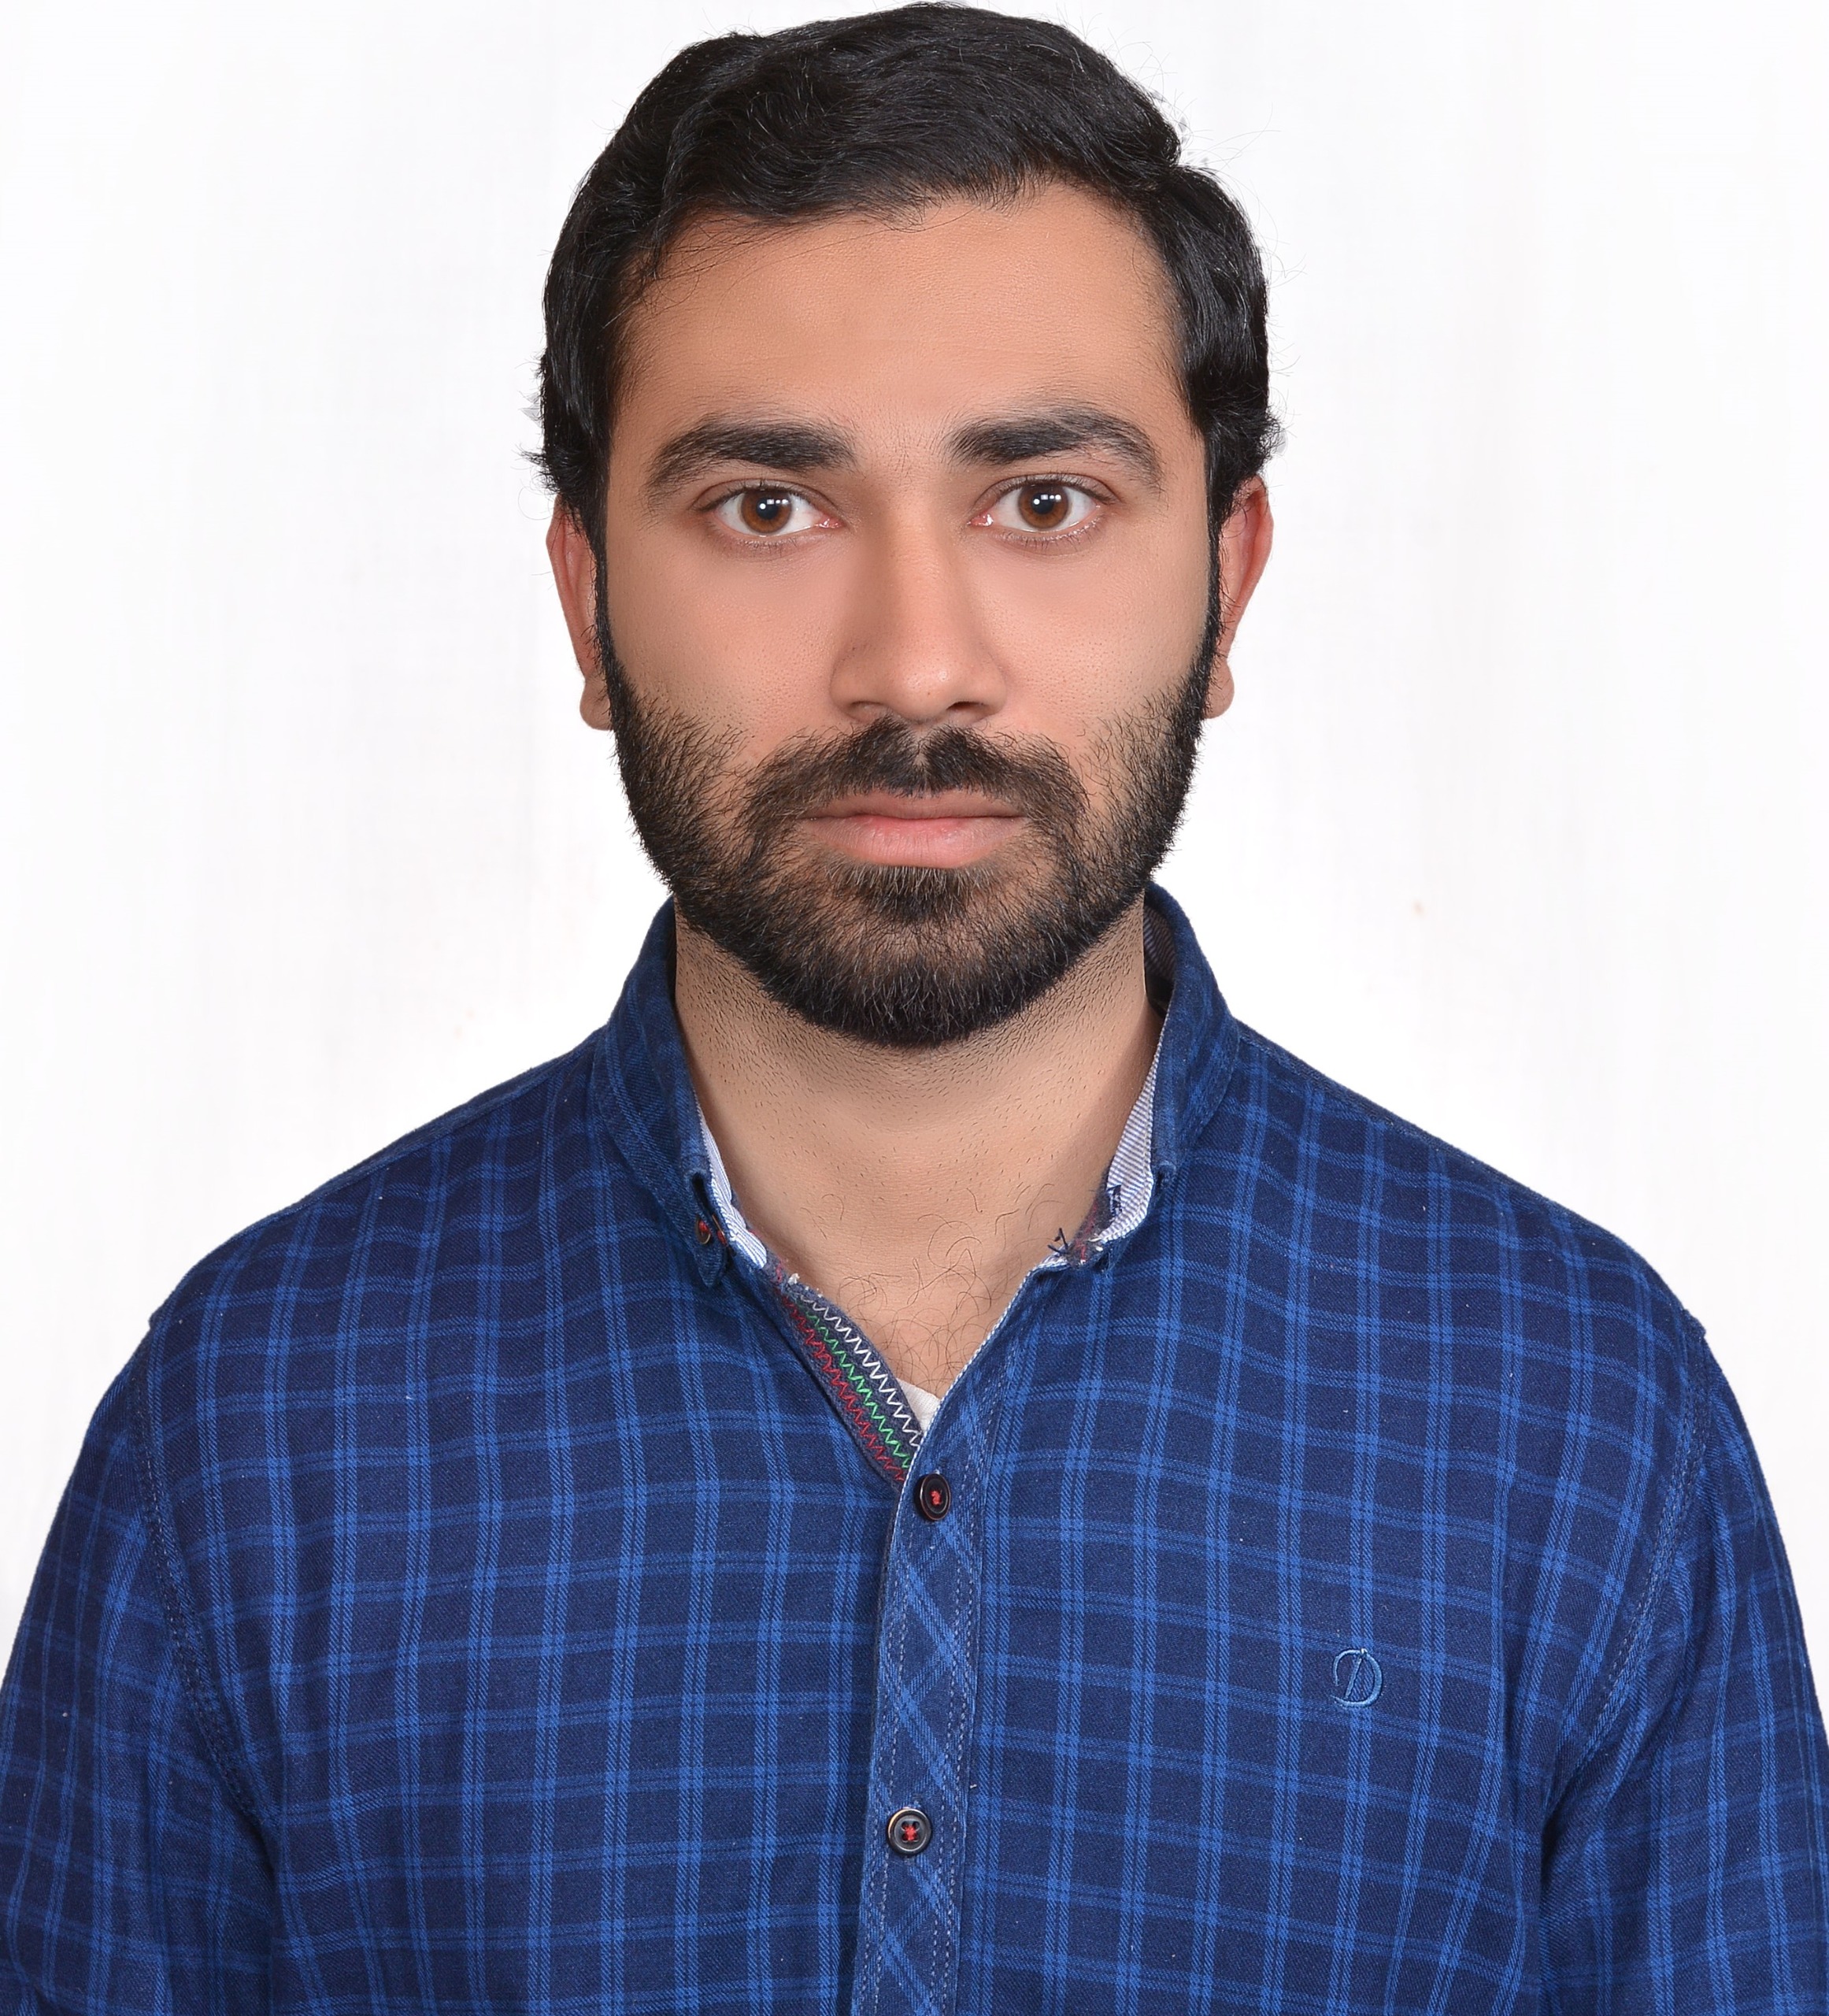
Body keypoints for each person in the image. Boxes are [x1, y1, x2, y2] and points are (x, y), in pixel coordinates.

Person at [2, 5, 1824, 2009]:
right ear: (587, 598)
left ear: (1226, 579)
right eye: (766, 507)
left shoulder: (1579, 1417)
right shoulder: (252, 1427)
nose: (911, 664)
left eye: (1041, 499)